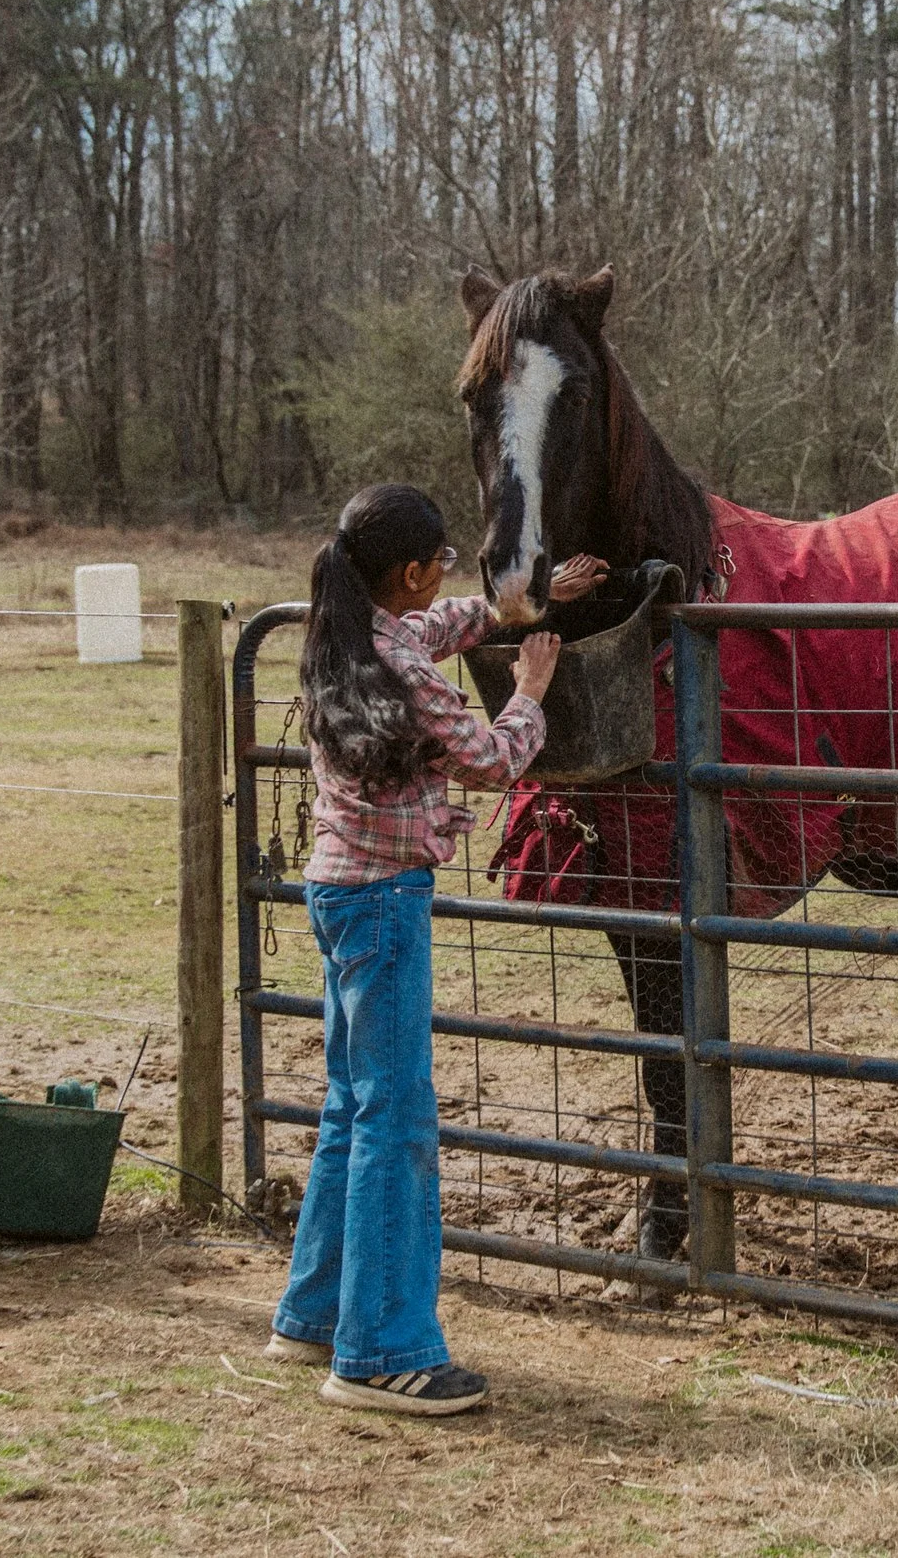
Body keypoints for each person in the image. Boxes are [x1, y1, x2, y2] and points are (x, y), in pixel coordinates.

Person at [265, 482, 603, 1415]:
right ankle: (382, 1353)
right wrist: (529, 690)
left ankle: (316, 1314)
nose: (447, 578)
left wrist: (519, 605)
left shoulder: (348, 632)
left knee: (352, 1107)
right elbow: (493, 761)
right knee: (397, 1122)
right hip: (382, 904)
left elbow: (440, 626)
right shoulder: (399, 666)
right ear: (408, 573)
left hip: (339, 890)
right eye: (442, 563)